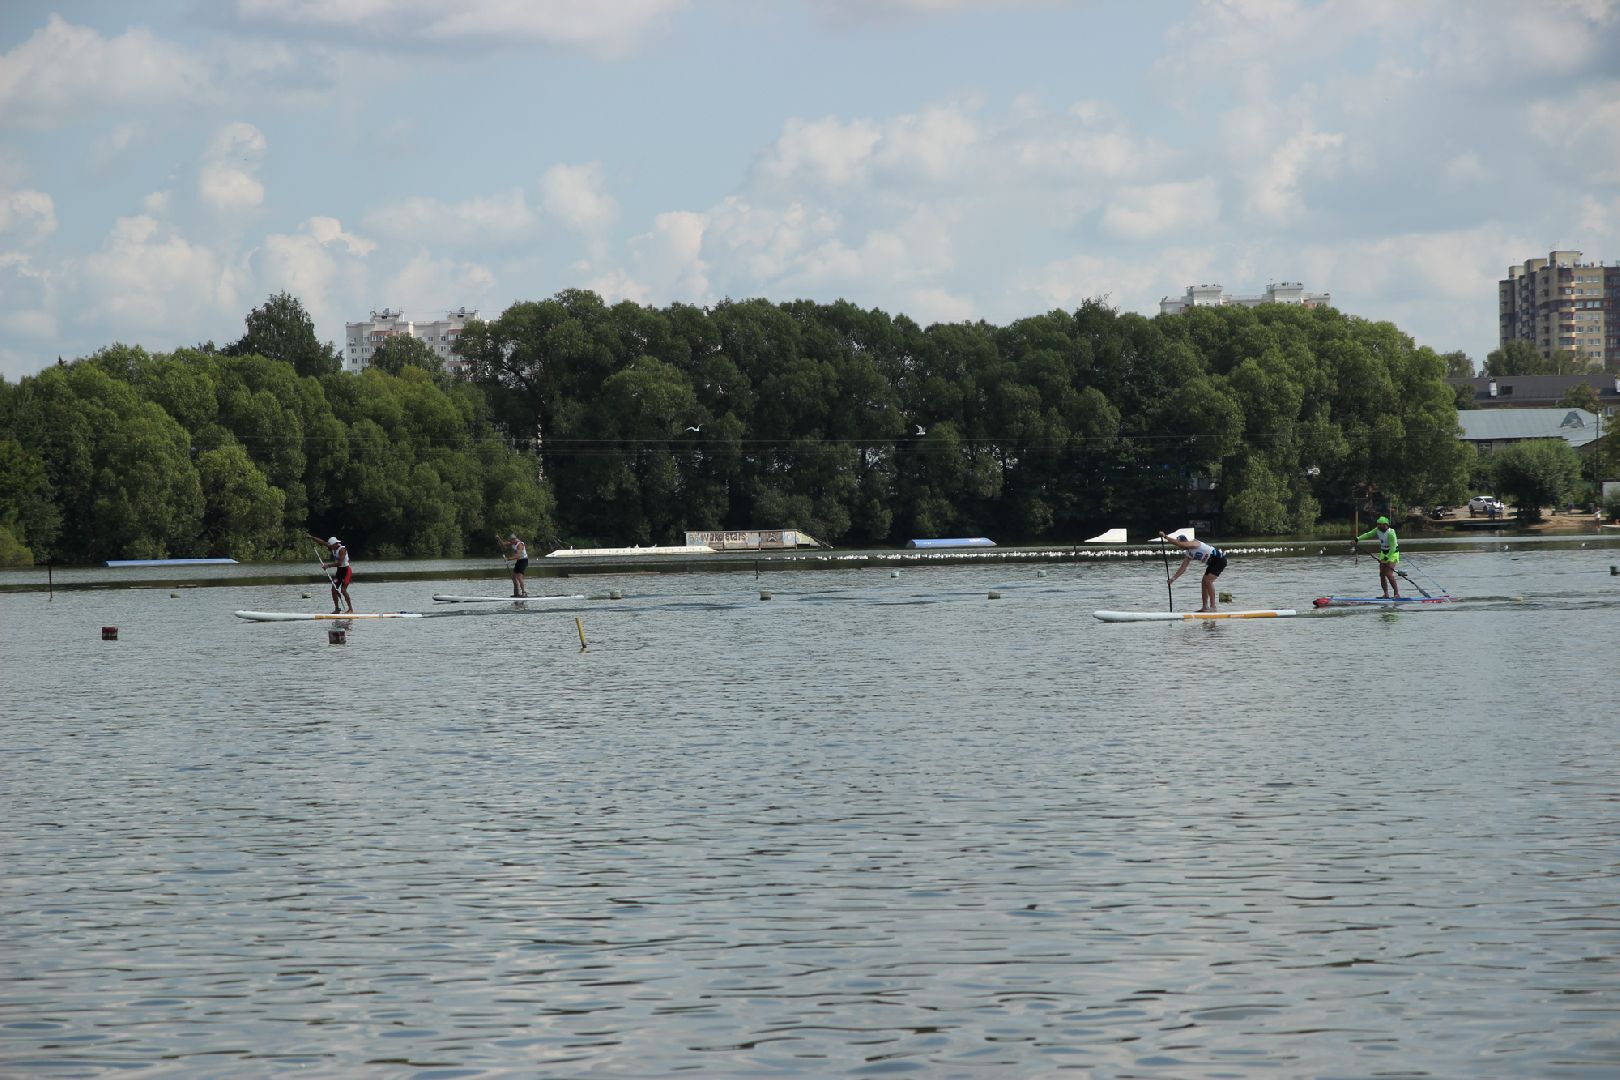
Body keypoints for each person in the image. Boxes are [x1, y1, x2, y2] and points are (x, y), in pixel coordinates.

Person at [1158, 531, 1227, 612]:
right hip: (1212, 563)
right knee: (1204, 582)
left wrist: (1165, 537)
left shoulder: (1195, 543)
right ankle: (1205, 607)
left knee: (1208, 581)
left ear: (1184, 542)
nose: (1180, 548)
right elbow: (1183, 568)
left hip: (1219, 560)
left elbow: (1180, 544)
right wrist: (1173, 579)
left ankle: (1213, 607)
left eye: (1180, 544)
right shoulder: (1189, 554)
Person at [307, 532, 355, 613]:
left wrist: (328, 565)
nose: (331, 547)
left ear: (336, 543)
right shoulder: (333, 546)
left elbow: (340, 563)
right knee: (333, 590)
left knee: (343, 590)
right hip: (339, 572)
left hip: (346, 571)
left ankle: (350, 609)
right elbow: (322, 542)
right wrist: (311, 537)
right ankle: (337, 609)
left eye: (332, 546)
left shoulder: (342, 550)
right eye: (331, 546)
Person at [1354, 515, 1401, 597]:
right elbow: (1368, 534)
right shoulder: (1377, 530)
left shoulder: (1391, 533)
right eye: (1378, 524)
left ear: (1386, 525)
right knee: (1382, 574)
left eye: (1380, 524)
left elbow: (1393, 548)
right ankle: (1386, 594)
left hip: (1393, 553)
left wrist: (1386, 559)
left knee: (1389, 574)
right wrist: (1357, 539)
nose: (1378, 525)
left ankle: (1396, 594)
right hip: (1383, 552)